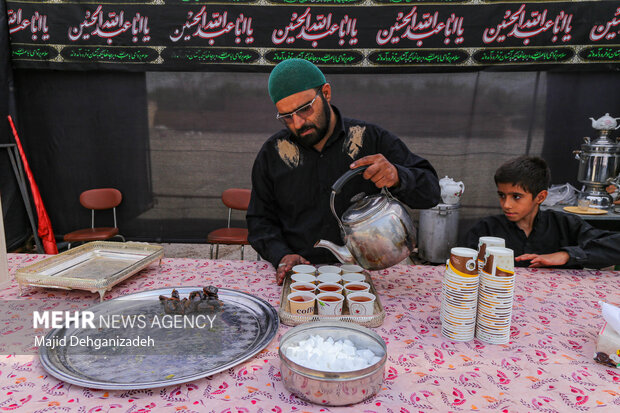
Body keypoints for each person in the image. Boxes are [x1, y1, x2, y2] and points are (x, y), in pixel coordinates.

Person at [247, 58, 441, 284]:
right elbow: (259, 220)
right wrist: (281, 255)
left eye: (305, 109)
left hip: (371, 274)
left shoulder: (370, 138)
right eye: (287, 117)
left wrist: (397, 176)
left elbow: (431, 192)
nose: (298, 123)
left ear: (326, 93)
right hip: (301, 275)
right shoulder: (274, 154)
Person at [464, 156, 620, 269]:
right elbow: (463, 266)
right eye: (502, 195)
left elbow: (614, 246)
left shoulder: (565, 225)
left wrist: (566, 255)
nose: (506, 205)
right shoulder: (486, 229)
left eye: (516, 197)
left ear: (540, 197)